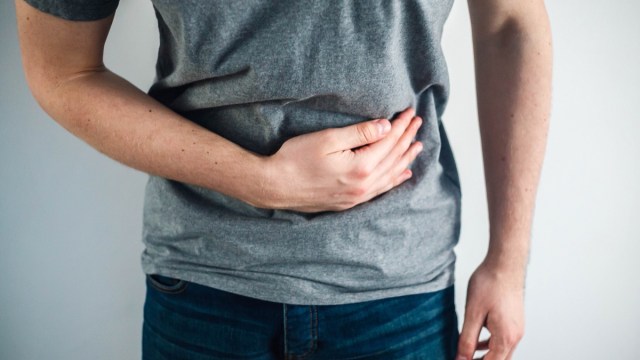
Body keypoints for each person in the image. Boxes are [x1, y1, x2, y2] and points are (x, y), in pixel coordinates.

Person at [15, 0, 552, 359]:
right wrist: (259, 180)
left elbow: (511, 24)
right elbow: (63, 71)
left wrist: (509, 260)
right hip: (206, 288)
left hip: (400, 298)